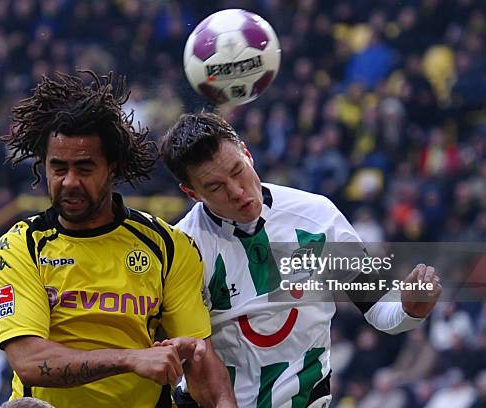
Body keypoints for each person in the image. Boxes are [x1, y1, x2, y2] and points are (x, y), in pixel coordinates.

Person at [159, 112, 442, 408]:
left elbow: (381, 311)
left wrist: (410, 310)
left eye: (237, 170)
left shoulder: (318, 218)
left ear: (247, 153)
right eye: (216, 187)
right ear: (191, 193)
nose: (237, 191)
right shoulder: (181, 250)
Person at [0, 72, 236, 408]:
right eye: (58, 167)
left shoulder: (167, 246)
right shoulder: (21, 246)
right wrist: (129, 359)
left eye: (85, 168)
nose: (70, 182)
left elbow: (199, 356)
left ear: (113, 167)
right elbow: (29, 361)